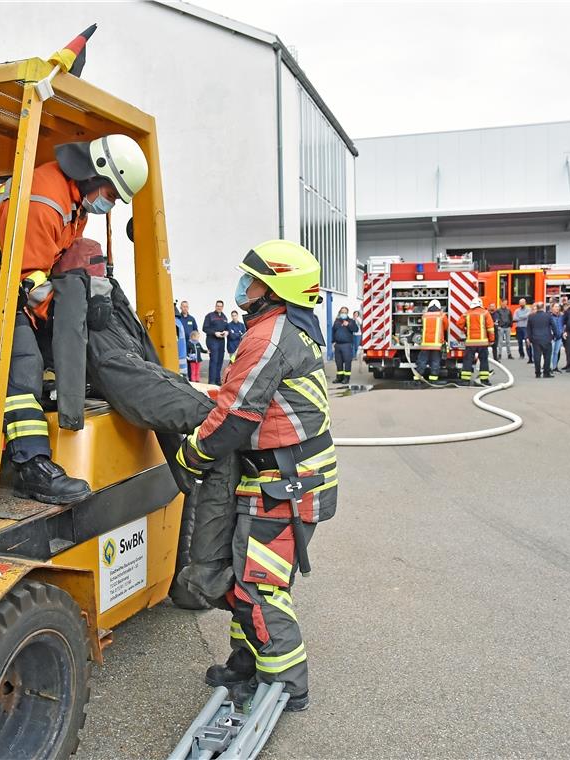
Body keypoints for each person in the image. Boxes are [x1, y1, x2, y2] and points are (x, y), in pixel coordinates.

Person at [177, 240, 336, 714]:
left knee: (259, 586)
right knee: (243, 572)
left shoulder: (269, 336)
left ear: (275, 290)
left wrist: (191, 454)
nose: (243, 287)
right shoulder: (286, 328)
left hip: (285, 483)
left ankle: (286, 682)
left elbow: (237, 417)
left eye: (253, 280)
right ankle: (246, 662)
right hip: (275, 476)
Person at [0, 133, 148, 503]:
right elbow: (31, 279)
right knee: (22, 357)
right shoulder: (46, 199)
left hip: (8, 277)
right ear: (95, 174)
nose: (110, 203)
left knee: (48, 350)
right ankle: (33, 467)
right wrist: (65, 314)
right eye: (110, 193)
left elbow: (53, 263)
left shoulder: (74, 204)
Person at [456, 297, 495, 385]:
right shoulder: (485, 313)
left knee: (468, 360)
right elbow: (490, 328)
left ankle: (465, 381)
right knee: (483, 360)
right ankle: (484, 380)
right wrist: (491, 340)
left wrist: (466, 330)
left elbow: (459, 324)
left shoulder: (467, 313)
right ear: (480, 304)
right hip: (483, 342)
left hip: (470, 342)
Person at [416, 300, 447, 383]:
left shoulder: (424, 315)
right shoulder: (442, 315)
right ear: (439, 307)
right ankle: (433, 379)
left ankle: (418, 378)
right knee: (435, 361)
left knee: (422, 360)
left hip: (425, 344)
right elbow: (445, 327)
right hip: (436, 344)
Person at [527, 303, 559, 378]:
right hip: (547, 338)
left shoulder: (531, 317)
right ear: (543, 308)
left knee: (537, 356)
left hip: (536, 339)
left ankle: (537, 373)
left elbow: (529, 328)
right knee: (547, 356)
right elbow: (553, 326)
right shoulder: (548, 316)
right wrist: (555, 335)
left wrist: (530, 338)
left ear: (537, 308)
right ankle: (546, 372)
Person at [330, 306, 360, 384]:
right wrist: (333, 342)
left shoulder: (351, 321)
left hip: (347, 345)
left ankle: (346, 378)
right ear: (340, 313)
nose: (343, 314)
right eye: (342, 312)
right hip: (338, 345)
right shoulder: (337, 321)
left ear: (347, 313)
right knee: (338, 362)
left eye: (345, 312)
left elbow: (356, 329)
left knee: (347, 362)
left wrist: (348, 325)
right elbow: (333, 331)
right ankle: (339, 378)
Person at [203, 300, 230, 384]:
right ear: (215, 306)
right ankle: (211, 381)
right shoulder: (210, 316)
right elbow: (205, 328)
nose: (219, 307)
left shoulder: (224, 317)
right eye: (218, 306)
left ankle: (217, 380)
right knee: (214, 360)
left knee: (220, 360)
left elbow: (227, 327)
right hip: (212, 340)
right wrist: (215, 333)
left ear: (222, 307)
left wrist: (226, 332)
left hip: (221, 341)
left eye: (221, 306)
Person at [549, 303, 564, 373]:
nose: (557, 308)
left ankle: (555, 367)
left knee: (556, 353)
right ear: (552, 308)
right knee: (551, 353)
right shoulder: (549, 316)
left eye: (558, 307)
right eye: (556, 307)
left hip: (559, 336)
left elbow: (563, 325)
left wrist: (563, 332)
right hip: (552, 337)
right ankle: (550, 367)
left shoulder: (561, 316)